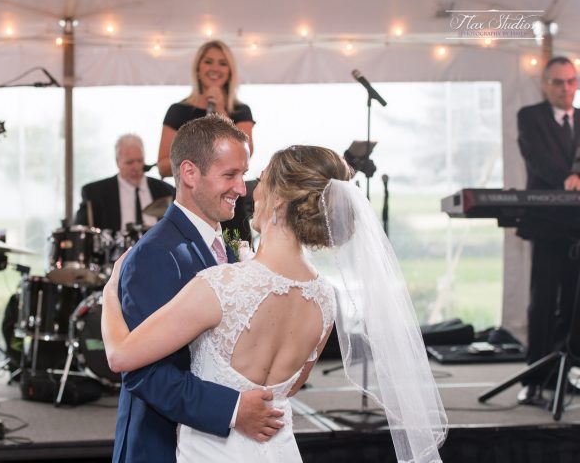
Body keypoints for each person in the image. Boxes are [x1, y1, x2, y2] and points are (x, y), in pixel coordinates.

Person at [103, 143, 448, 462]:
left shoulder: (222, 286)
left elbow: (121, 356)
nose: (249, 189)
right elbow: (287, 388)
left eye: (261, 179)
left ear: (280, 202)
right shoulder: (326, 298)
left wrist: (109, 297)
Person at [104, 114, 285, 463]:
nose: (241, 189)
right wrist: (233, 409)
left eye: (243, 175)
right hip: (162, 447)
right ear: (189, 173)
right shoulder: (156, 254)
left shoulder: (225, 246)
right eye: (229, 175)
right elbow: (143, 373)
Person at [516, 56, 580, 404]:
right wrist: (567, 179)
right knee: (543, 302)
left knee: (573, 304)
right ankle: (534, 378)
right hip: (546, 225)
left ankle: (564, 373)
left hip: (578, 228)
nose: (565, 88)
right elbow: (539, 158)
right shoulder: (530, 116)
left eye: (571, 81)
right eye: (558, 82)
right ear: (545, 84)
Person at [157, 40, 255, 241]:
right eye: (209, 62)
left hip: (230, 207)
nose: (215, 68)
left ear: (230, 71)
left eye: (222, 63)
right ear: (198, 69)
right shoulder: (178, 111)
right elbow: (163, 166)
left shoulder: (240, 111)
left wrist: (220, 108)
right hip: (191, 208)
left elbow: (245, 155)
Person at [74, 134, 174, 231]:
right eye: (130, 162)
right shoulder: (95, 194)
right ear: (117, 162)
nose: (136, 167)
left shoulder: (167, 191)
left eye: (140, 161)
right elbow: (80, 234)